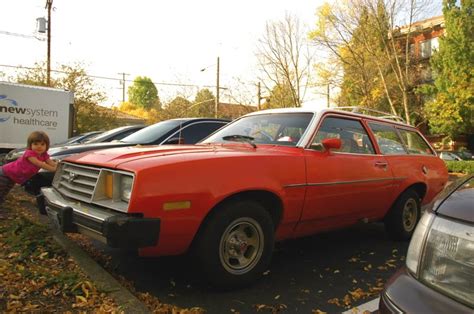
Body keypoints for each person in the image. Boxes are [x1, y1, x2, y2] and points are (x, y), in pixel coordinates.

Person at [0, 131, 57, 207]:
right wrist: (53, 169)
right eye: (35, 144)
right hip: (5, 174)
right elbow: (39, 163)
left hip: (13, 177)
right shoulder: (29, 154)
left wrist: (58, 166)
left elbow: (50, 162)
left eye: (42, 144)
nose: (39, 146)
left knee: (4, 193)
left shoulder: (44, 155)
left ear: (46, 145)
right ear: (30, 145)